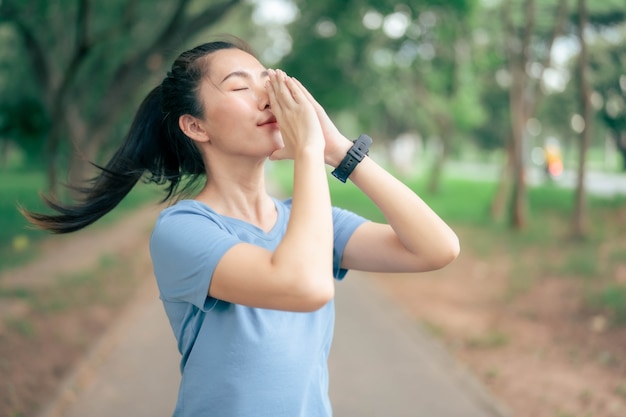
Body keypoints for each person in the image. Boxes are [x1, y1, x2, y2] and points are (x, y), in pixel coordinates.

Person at [22, 38, 460, 417]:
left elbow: (436, 249)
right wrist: (307, 151)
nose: (267, 98)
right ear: (196, 126)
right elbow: (305, 286)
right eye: (239, 86)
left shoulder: (307, 221)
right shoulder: (183, 229)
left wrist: (339, 150)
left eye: (267, 82)